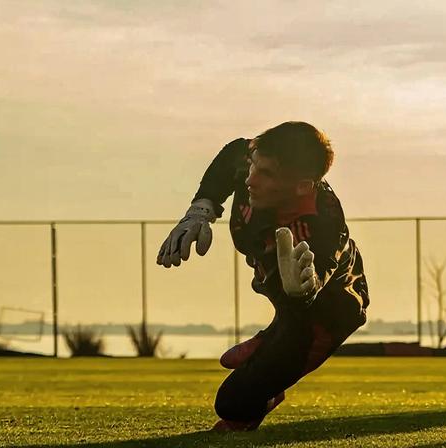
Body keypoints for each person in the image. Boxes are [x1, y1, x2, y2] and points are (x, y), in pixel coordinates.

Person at [156, 121, 369, 431]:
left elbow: (318, 274)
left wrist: (304, 288)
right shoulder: (250, 161)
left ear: (302, 187)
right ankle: (270, 340)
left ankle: (269, 364)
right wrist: (201, 208)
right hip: (285, 303)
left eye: (266, 174)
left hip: (324, 315)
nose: (250, 179)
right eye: (254, 165)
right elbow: (234, 152)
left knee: (232, 403)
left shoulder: (323, 222)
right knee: (250, 363)